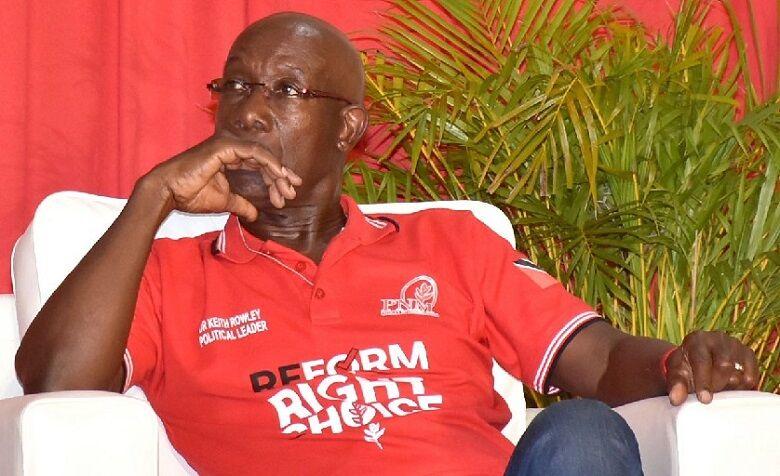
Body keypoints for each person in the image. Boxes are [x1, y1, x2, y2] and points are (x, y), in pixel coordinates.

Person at [15, 12, 759, 476]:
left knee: (584, 434)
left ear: (348, 128)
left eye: (286, 91)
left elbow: (593, 360)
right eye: (234, 87)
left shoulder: (450, 243)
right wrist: (151, 199)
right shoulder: (167, 272)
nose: (248, 110)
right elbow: (54, 384)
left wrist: (675, 361)